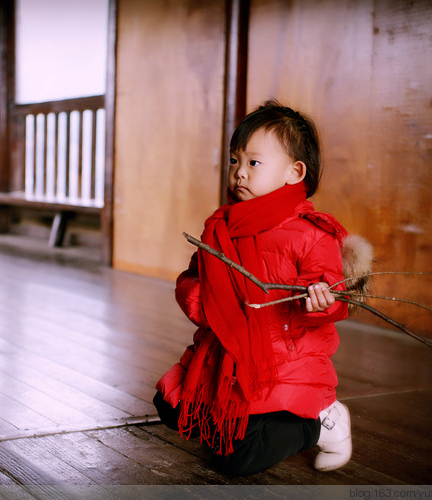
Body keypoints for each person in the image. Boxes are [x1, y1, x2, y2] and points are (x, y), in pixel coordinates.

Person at [154, 100, 370, 475]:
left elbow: (334, 301)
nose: (239, 172)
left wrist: (320, 302)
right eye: (235, 161)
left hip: (283, 366)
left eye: (253, 163)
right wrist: (204, 299)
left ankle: (320, 422)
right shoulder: (221, 226)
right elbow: (192, 277)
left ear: (294, 172)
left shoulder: (311, 233)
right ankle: (243, 419)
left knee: (236, 459)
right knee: (170, 406)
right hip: (226, 358)